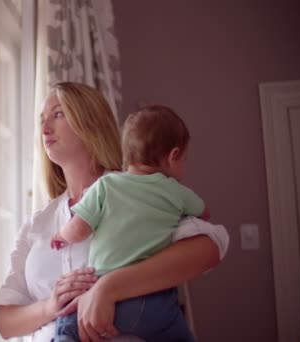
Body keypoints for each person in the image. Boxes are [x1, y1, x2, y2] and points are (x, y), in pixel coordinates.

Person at [0, 82, 229, 342]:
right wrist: (51, 306)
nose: (45, 127)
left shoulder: (136, 192)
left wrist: (108, 287)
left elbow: (210, 248)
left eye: (58, 114)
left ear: (91, 123)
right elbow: (5, 323)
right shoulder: (37, 224)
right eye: (42, 119)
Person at [50, 105, 210, 341]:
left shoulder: (106, 185)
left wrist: (60, 235)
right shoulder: (177, 192)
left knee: (65, 323)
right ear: (173, 155)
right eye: (185, 159)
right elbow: (205, 214)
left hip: (102, 298)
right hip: (154, 299)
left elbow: (79, 229)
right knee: (178, 334)